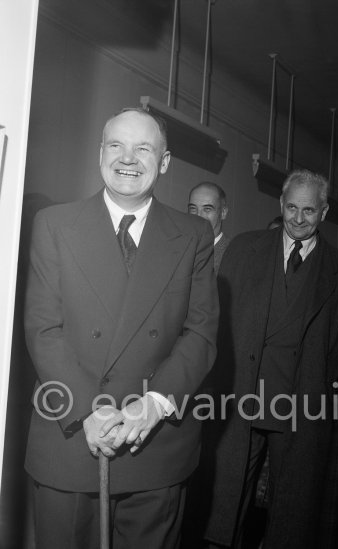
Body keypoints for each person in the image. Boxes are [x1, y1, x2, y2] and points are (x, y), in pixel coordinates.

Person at [24, 107, 218, 549]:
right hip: (71, 435)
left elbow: (201, 332)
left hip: (156, 446)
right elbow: (42, 327)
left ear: (164, 162)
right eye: (116, 145)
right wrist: (88, 412)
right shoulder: (54, 224)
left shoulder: (193, 235)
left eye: (143, 148)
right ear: (100, 153)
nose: (127, 158)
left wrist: (153, 403)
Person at [200, 169, 338, 548]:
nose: (299, 218)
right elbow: (218, 325)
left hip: (301, 405)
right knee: (225, 503)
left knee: (293, 512)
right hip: (240, 398)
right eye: (292, 207)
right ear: (281, 205)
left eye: (309, 210)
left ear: (324, 212)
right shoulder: (243, 249)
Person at [188, 181, 230, 273]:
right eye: (193, 209)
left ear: (223, 213)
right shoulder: (179, 247)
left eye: (207, 209)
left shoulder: (232, 255)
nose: (198, 216)